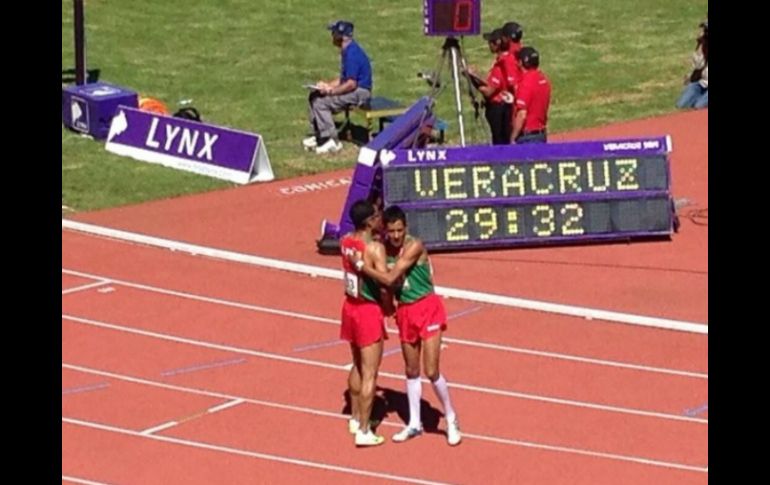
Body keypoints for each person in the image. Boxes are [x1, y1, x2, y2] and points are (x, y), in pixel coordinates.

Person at [351, 206, 462, 446]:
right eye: (391, 231)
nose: (396, 236)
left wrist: (361, 267)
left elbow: (390, 279)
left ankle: (451, 418)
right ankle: (414, 423)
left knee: (431, 370)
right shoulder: (383, 247)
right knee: (411, 370)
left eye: (399, 230)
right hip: (405, 311)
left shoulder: (414, 246)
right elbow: (385, 285)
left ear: (406, 228)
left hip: (427, 307)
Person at [339, 199, 390, 447]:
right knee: (370, 372)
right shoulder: (375, 249)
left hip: (350, 307)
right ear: (370, 221)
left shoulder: (346, 241)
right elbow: (385, 284)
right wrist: (389, 306)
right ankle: (364, 430)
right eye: (377, 216)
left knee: (357, 364)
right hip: (368, 311)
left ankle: (355, 416)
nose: (381, 218)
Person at [303, 20, 373, 154]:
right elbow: (343, 80)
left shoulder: (352, 54)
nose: (332, 36)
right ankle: (318, 135)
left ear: (341, 36)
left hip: (360, 92)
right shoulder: (347, 50)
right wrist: (327, 85)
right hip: (354, 88)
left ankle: (331, 140)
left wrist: (332, 92)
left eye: (333, 33)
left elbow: (351, 84)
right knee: (314, 95)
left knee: (321, 102)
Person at [470, 28, 513, 145]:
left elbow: (489, 91)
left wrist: (472, 79)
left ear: (497, 44)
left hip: (498, 109)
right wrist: (476, 75)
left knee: (499, 143)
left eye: (491, 42)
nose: (489, 44)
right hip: (506, 106)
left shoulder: (501, 64)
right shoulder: (509, 58)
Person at [510, 46, 551, 144]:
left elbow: (522, 115)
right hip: (541, 134)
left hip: (527, 137)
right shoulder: (544, 80)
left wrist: (513, 137)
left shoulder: (525, 83)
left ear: (521, 63)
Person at [676, 19, 708, 109]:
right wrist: (700, 45)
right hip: (701, 83)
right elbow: (698, 65)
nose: (704, 34)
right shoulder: (704, 46)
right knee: (681, 105)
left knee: (699, 107)